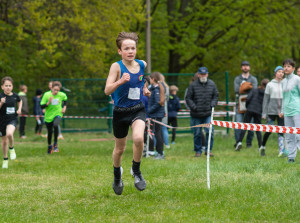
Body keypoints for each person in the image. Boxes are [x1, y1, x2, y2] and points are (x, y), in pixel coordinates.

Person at [104, 32, 150, 195]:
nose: (130, 51)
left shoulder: (142, 64)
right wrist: (120, 81)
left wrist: (145, 88)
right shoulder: (116, 67)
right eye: (126, 49)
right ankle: (117, 175)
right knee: (120, 149)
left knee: (138, 138)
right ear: (119, 51)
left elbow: (142, 79)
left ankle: (136, 171)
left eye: (133, 48)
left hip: (137, 109)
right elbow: (107, 90)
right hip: (120, 112)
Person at [186, 67, 218, 157]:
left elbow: (216, 96)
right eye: (201, 74)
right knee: (197, 133)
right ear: (198, 75)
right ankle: (198, 151)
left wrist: (213, 104)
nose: (203, 76)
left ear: (207, 74)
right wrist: (193, 107)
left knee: (209, 132)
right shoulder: (193, 85)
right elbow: (188, 98)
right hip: (196, 114)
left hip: (208, 114)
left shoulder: (212, 84)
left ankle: (208, 150)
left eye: (205, 74)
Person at [235, 79, 269, 153]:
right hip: (258, 111)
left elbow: (248, 99)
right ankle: (260, 146)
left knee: (245, 126)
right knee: (258, 129)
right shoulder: (266, 94)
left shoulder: (254, 90)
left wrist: (248, 107)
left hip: (250, 109)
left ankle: (239, 142)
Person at [261, 66, 286, 157]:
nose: (281, 74)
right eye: (279, 72)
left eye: (282, 72)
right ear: (275, 73)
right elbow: (265, 100)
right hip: (271, 111)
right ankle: (262, 146)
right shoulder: (270, 85)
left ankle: (281, 150)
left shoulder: (285, 84)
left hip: (282, 112)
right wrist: (264, 112)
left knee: (281, 131)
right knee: (269, 130)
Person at [280, 59, 300, 163]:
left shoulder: (297, 79)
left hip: (297, 110)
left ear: (293, 68)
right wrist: (282, 110)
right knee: (289, 135)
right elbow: (283, 97)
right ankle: (291, 157)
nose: (286, 68)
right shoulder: (283, 81)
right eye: (284, 66)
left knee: (298, 135)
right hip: (287, 111)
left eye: (288, 66)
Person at [234, 61, 257, 148]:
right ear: (241, 68)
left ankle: (249, 143)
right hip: (239, 104)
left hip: (251, 105)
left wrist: (243, 86)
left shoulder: (253, 79)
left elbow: (254, 90)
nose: (245, 67)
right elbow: (237, 90)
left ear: (249, 68)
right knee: (238, 124)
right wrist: (248, 86)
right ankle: (238, 142)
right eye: (243, 66)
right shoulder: (237, 79)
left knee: (250, 125)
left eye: (247, 66)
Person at [0, 76, 22, 168]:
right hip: (2, 120)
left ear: (12, 86)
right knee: (4, 141)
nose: (8, 87)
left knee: (9, 134)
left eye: (10, 85)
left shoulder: (15, 96)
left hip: (12, 118)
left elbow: (20, 101)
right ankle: (5, 159)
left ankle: (12, 148)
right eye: (6, 85)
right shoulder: (0, 96)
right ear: (2, 87)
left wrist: (19, 109)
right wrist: (1, 103)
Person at [40, 81, 67, 154]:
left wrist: (64, 107)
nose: (56, 92)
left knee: (55, 125)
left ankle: (55, 143)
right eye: (55, 90)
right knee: (49, 132)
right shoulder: (46, 95)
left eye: (58, 90)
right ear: (51, 88)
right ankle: (49, 146)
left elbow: (65, 100)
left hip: (58, 113)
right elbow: (41, 106)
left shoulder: (61, 95)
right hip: (48, 116)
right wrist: (48, 103)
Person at [148, 72, 165, 159]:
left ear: (153, 79)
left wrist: (149, 111)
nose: (149, 80)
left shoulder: (157, 89)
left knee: (158, 134)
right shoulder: (153, 89)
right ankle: (159, 152)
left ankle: (160, 153)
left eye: (150, 78)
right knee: (157, 133)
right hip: (155, 114)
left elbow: (158, 103)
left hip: (156, 115)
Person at [159, 74, 170, 148]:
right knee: (164, 127)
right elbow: (167, 98)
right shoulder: (167, 87)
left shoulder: (158, 86)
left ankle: (156, 143)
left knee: (157, 128)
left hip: (159, 107)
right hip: (165, 107)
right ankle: (167, 144)